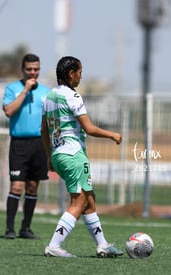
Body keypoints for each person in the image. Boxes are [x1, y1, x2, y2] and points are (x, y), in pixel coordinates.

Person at [41, 56, 124, 258]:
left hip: (59, 154)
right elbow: (89, 128)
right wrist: (112, 134)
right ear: (71, 74)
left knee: (89, 199)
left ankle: (102, 245)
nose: (81, 77)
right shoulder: (73, 96)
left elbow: (43, 130)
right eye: (79, 72)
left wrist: (49, 157)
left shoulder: (49, 96)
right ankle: (54, 245)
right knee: (78, 202)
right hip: (73, 154)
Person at [2, 53, 50, 240]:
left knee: (32, 186)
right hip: (19, 144)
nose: (33, 73)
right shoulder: (12, 88)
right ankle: (9, 229)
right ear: (23, 69)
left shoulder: (46, 91)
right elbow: (8, 111)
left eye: (36, 69)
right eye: (29, 69)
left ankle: (26, 228)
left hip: (39, 144)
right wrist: (25, 91)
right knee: (16, 186)